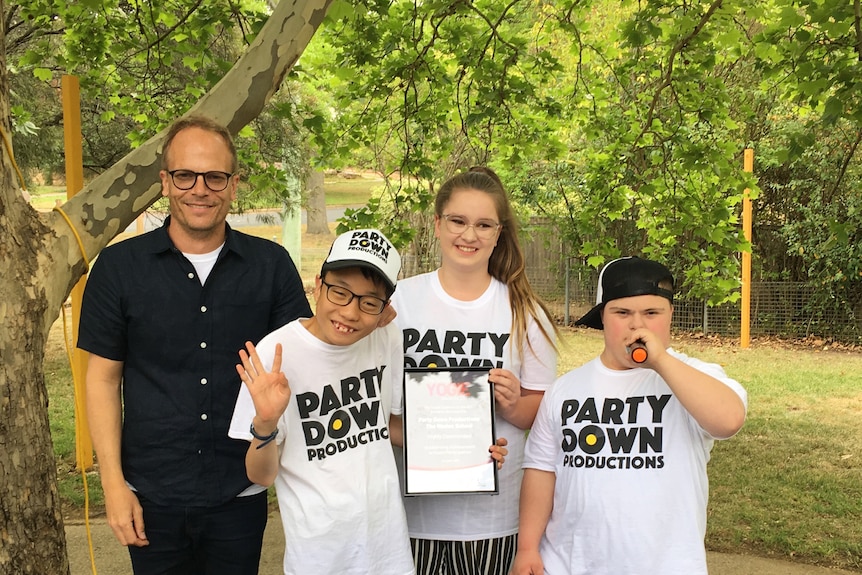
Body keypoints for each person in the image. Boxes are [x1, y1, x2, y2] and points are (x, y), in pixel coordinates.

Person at [78, 115, 312, 574]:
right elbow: (102, 380)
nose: (199, 188)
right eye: (185, 175)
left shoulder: (271, 266)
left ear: (233, 184)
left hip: (239, 490)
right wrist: (113, 485)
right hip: (150, 493)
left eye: (215, 176)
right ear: (165, 182)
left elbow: (310, 353)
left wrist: (368, 316)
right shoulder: (119, 268)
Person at [229, 228, 505, 574]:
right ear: (318, 283)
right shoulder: (275, 355)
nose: (349, 312)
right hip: (320, 555)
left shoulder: (383, 335)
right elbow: (261, 475)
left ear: (385, 308)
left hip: (386, 547)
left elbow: (384, 426)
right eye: (340, 292)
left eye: (368, 301)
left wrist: (470, 444)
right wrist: (266, 425)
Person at [511, 256, 748, 575]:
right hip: (567, 563)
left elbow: (728, 420)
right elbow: (541, 471)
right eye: (622, 313)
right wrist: (527, 548)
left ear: (670, 316)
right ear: (603, 318)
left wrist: (660, 361)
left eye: (652, 313)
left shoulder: (693, 376)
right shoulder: (564, 390)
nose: (637, 325)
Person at [390, 168, 559, 575]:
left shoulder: (525, 313)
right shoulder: (398, 304)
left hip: (493, 520)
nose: (470, 235)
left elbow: (538, 414)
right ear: (437, 224)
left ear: (499, 232)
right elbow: (378, 411)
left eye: (484, 224)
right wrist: (426, 440)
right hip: (410, 518)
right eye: (458, 221)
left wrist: (514, 402)